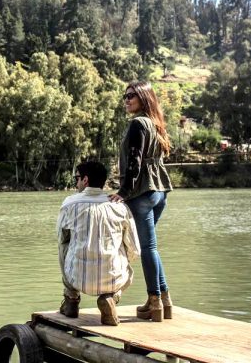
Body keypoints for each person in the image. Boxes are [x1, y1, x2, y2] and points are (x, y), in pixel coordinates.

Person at [108, 81, 174, 322]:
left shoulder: (138, 124)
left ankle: (154, 302)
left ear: (144, 98)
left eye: (131, 96)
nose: (126, 100)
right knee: (151, 247)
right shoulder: (155, 123)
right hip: (159, 193)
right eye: (124, 96)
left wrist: (123, 192)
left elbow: (135, 162)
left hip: (142, 193)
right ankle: (163, 300)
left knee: (148, 248)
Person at [57, 161, 140, 325]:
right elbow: (135, 249)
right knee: (128, 266)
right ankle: (111, 297)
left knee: (63, 245)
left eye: (77, 178)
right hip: (113, 278)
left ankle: (71, 298)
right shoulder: (119, 207)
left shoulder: (69, 204)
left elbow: (61, 239)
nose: (76, 182)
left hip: (76, 278)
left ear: (85, 180)